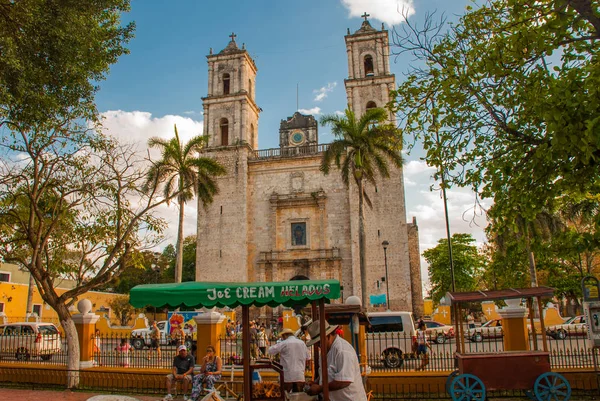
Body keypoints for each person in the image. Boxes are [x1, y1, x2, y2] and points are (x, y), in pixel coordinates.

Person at [305, 320, 367, 401]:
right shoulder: (325, 351)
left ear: (328, 336)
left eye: (320, 342)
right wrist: (316, 382)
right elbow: (327, 373)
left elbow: (344, 381)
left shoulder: (343, 350)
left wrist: (320, 388)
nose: (319, 346)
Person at [267, 328, 310, 393]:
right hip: (300, 376)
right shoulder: (302, 343)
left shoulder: (284, 343)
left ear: (284, 335)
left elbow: (270, 350)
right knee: (299, 397)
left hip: (287, 377)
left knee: (287, 396)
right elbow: (308, 357)